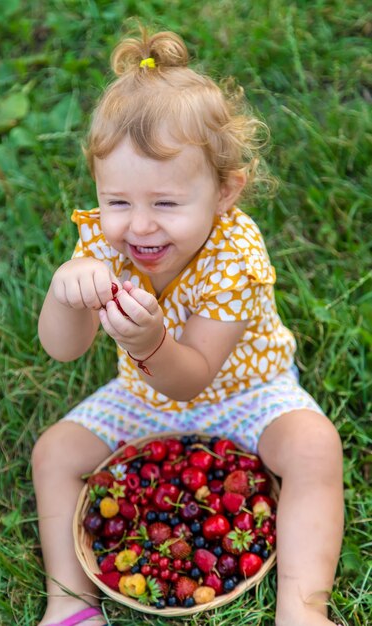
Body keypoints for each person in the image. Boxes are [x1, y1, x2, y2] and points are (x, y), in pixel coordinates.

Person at [32, 26, 344, 626]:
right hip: (143, 395)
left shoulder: (235, 256)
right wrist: (65, 295)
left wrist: (148, 342)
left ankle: (302, 609)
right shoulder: (101, 237)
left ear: (226, 191)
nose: (140, 227)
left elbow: (193, 378)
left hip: (248, 392)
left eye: (166, 204)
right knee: (53, 454)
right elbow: (64, 350)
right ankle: (70, 606)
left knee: (313, 447)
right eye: (118, 201)